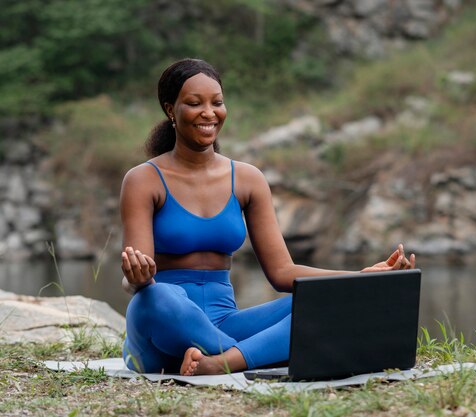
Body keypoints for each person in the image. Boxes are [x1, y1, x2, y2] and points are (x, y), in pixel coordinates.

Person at [120, 58, 416, 376]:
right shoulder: (143, 180)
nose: (209, 113)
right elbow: (135, 280)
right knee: (158, 295)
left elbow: (282, 272)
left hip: (226, 319)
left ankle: (221, 362)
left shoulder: (247, 179)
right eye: (194, 103)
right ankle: (250, 355)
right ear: (170, 110)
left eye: (217, 102)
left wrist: (360, 280)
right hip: (163, 327)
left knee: (327, 303)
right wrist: (137, 278)